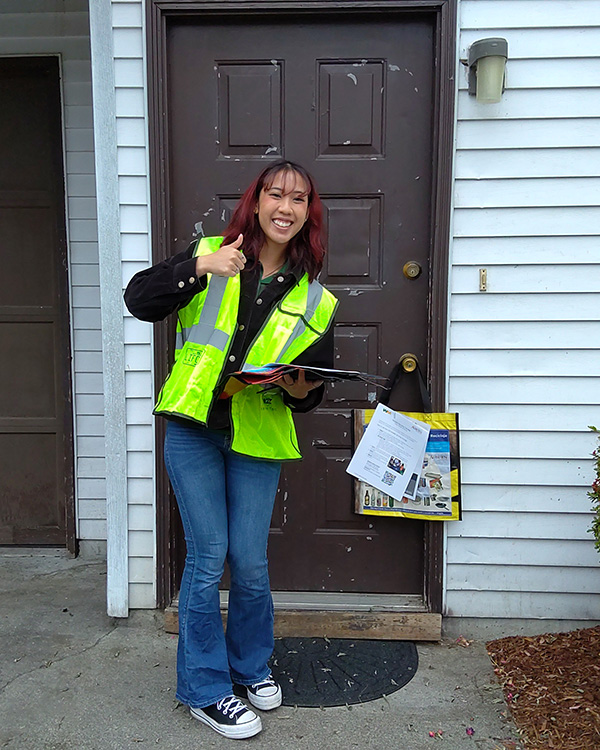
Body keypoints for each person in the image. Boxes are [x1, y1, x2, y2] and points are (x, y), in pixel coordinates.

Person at [124, 160, 338, 740]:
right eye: (276, 194)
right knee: (207, 555)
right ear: (258, 200)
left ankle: (249, 667)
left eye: (299, 199)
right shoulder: (214, 252)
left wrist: (299, 388)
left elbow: (310, 390)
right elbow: (139, 298)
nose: (286, 208)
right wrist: (199, 266)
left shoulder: (315, 297)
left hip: (257, 435)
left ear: (308, 213)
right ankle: (205, 688)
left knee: (249, 561)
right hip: (195, 426)